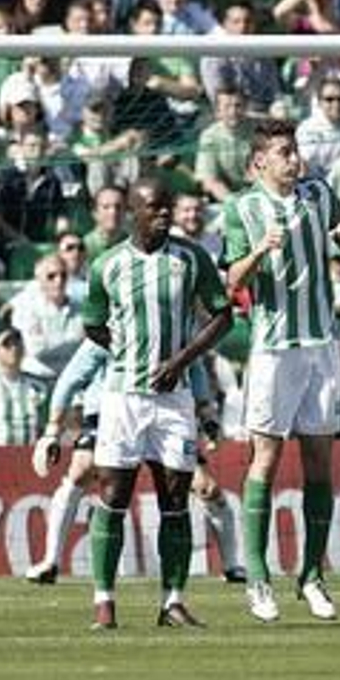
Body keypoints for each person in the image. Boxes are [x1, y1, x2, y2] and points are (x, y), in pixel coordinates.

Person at [82, 177, 233, 629]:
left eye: (167, 206)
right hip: (123, 397)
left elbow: (223, 315)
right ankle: (104, 600)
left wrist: (180, 360)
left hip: (175, 398)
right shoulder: (107, 266)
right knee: (113, 493)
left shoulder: (191, 258)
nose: (165, 213)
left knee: (175, 499)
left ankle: (172, 601)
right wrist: (129, 353)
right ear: (133, 211)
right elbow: (93, 324)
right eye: (155, 207)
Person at [223, 119, 340, 622]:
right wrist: (261, 249)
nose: (293, 160)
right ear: (260, 162)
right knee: (267, 457)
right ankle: (257, 577)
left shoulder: (319, 193)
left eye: (294, 150)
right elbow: (232, 279)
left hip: (322, 343)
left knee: (320, 460)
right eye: (283, 152)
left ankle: (311, 576)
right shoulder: (243, 207)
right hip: (274, 347)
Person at [27, 339, 245, 586]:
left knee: (206, 488)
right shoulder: (108, 332)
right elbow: (71, 378)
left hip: (166, 413)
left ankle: (231, 566)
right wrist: (52, 430)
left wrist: (206, 413)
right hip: (109, 414)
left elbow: (193, 369)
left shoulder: (174, 331)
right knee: (81, 469)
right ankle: (50, 562)